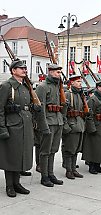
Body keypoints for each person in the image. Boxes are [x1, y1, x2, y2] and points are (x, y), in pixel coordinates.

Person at [0, 59, 45, 197]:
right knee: (11, 157)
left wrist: (34, 107)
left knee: (21, 155)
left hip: (25, 126)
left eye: (25, 68)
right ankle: (9, 186)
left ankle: (17, 183)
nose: (24, 70)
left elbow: (29, 106)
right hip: (12, 126)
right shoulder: (7, 86)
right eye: (21, 68)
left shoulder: (26, 87)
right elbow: (0, 109)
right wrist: (2, 129)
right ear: (13, 70)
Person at [36, 64, 65, 187]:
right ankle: (44, 176)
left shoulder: (58, 86)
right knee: (45, 151)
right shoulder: (43, 87)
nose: (59, 74)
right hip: (48, 122)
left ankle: (51, 173)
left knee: (53, 150)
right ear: (51, 72)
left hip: (58, 121)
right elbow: (40, 109)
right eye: (58, 72)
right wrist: (43, 126)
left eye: (60, 72)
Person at [62, 74, 85, 179]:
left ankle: (73, 169)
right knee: (69, 149)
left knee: (75, 149)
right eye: (78, 82)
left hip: (79, 125)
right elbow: (63, 112)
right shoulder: (67, 94)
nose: (80, 84)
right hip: (71, 125)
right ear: (72, 83)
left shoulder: (79, 95)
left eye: (80, 82)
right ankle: (68, 170)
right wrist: (66, 127)